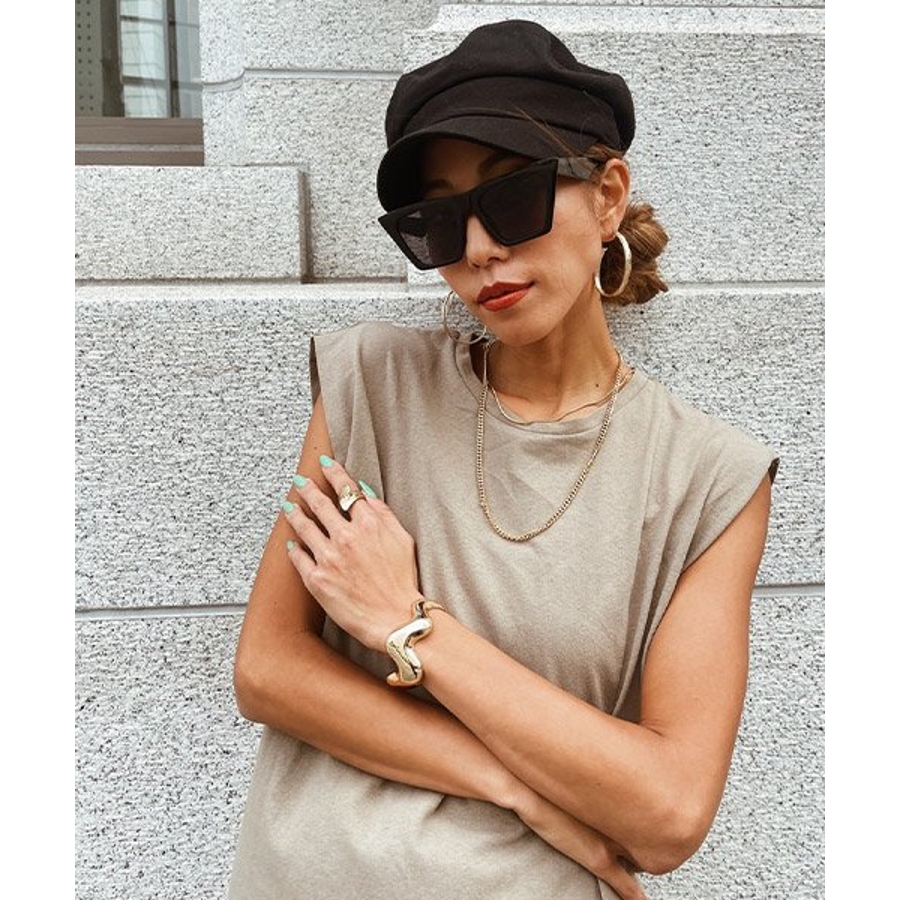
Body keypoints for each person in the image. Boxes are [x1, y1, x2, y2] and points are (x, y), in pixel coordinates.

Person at [227, 19, 778, 900]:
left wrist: (408, 623)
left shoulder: (708, 478)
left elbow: (670, 812)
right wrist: (516, 788)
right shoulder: (372, 382)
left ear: (607, 196)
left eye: (513, 196)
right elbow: (267, 670)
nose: (480, 247)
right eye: (440, 221)